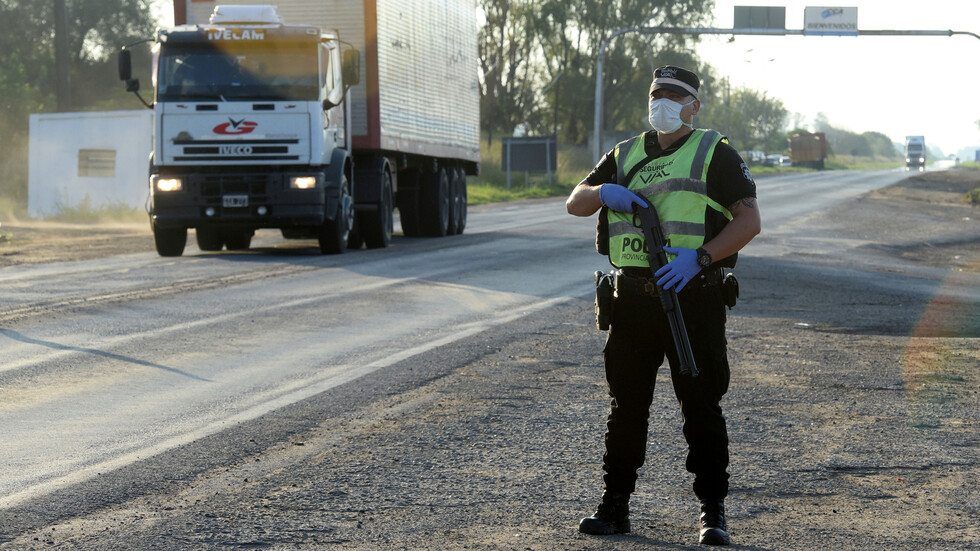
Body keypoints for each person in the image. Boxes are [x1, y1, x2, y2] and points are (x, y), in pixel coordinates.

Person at [565, 65, 761, 546]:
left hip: (694, 296)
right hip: (633, 300)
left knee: (701, 406)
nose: (664, 104)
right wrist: (601, 191)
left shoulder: (715, 152)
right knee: (626, 408)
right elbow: (575, 202)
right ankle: (614, 507)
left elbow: (750, 220)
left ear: (694, 105)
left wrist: (701, 258)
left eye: (675, 96)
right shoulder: (625, 152)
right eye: (657, 94)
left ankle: (712, 512)